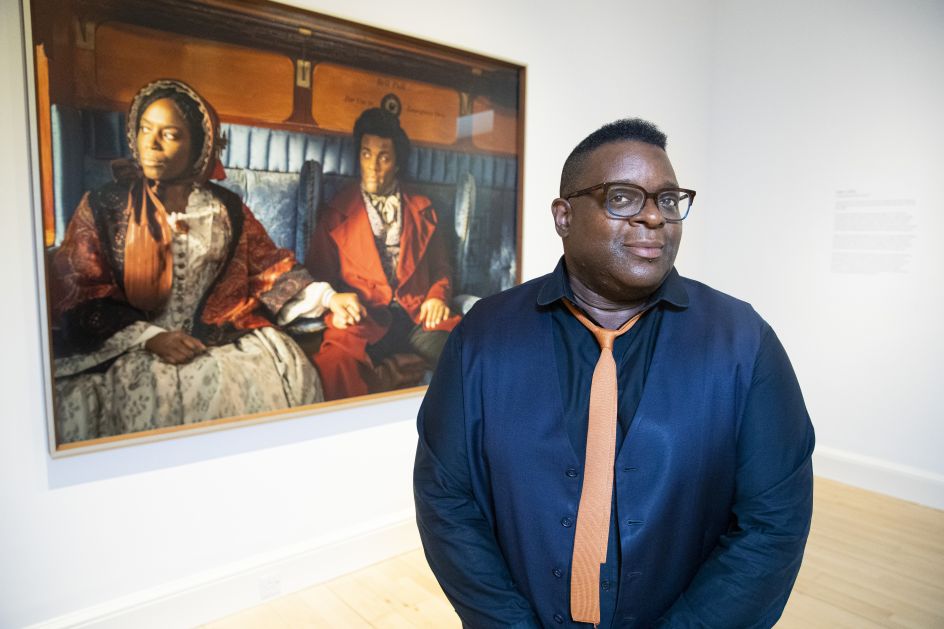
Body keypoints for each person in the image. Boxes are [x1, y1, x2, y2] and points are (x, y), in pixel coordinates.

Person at [414, 118, 814, 628]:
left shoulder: (743, 342)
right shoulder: (484, 335)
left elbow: (773, 524)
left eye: (668, 200)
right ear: (564, 216)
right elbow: (446, 500)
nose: (654, 218)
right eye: (623, 198)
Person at [51, 79, 360, 443]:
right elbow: (80, 292)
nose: (150, 144)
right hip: (129, 348)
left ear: (197, 145)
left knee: (270, 378)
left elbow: (268, 268)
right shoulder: (104, 205)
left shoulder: (225, 209)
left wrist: (328, 298)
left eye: (169, 134)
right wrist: (151, 337)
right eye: (145, 130)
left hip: (218, 342)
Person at [305, 107, 460, 400]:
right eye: (366, 154)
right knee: (335, 365)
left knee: (466, 353)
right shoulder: (335, 212)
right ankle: (395, 373)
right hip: (364, 318)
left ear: (398, 163)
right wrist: (332, 307)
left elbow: (442, 268)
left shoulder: (423, 207)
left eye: (384, 157)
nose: (373, 166)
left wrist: (437, 296)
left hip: (416, 316)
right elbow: (318, 278)